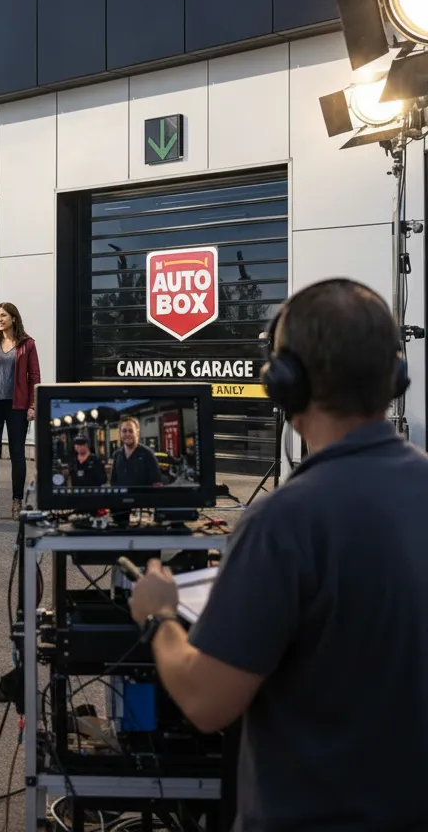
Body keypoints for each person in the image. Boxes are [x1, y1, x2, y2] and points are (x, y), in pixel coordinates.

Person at [127, 278, 428, 831]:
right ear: (394, 376)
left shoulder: (283, 522)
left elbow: (206, 701)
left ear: (282, 383)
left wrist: (159, 617)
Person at [0, 302, 41, 521]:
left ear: (13, 318)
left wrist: (32, 406)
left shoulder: (27, 344)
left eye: (3, 316)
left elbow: (34, 377)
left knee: (17, 455)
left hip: (17, 406)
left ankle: (16, 503)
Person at [109, 416, 162, 487]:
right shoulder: (117, 455)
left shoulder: (148, 454)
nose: (127, 434)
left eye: (131, 431)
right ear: (120, 433)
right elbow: (113, 481)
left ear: (137, 432)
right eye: (124, 431)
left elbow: (157, 484)